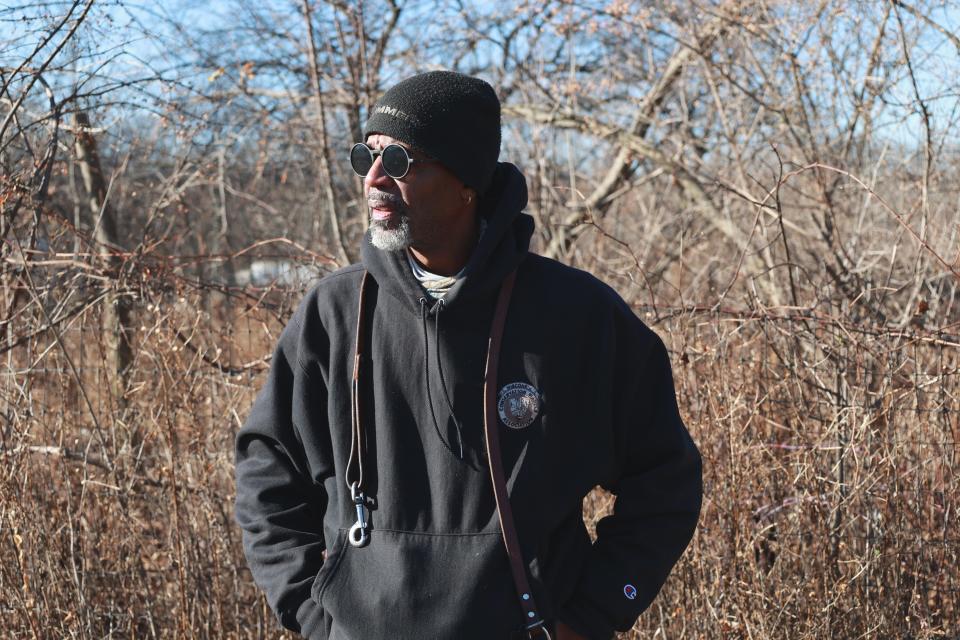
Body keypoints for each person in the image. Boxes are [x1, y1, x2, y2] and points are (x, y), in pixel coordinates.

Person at [234, 70, 702, 640]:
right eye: (367, 157)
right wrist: (313, 614)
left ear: (467, 184)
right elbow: (267, 469)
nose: (374, 179)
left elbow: (666, 478)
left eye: (401, 162)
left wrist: (591, 615)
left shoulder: (576, 316)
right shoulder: (333, 314)